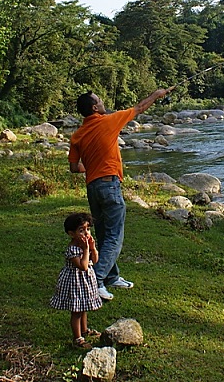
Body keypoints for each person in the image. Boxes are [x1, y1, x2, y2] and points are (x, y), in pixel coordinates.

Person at [68, 88, 171, 301]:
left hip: (93, 188)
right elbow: (140, 108)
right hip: (109, 185)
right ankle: (96, 280)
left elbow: (73, 167)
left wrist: (92, 168)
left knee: (104, 234)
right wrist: (157, 94)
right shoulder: (109, 121)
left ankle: (112, 277)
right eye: (100, 100)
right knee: (114, 236)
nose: (103, 101)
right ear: (95, 108)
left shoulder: (77, 134)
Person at [50, 212, 103, 349]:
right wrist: (86, 250)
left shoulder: (85, 245)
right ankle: (77, 338)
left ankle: (85, 330)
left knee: (83, 307)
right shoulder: (72, 250)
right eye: (81, 230)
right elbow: (83, 266)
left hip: (85, 282)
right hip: (75, 282)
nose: (86, 233)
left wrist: (93, 248)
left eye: (88, 229)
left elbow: (95, 261)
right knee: (76, 311)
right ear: (71, 233)